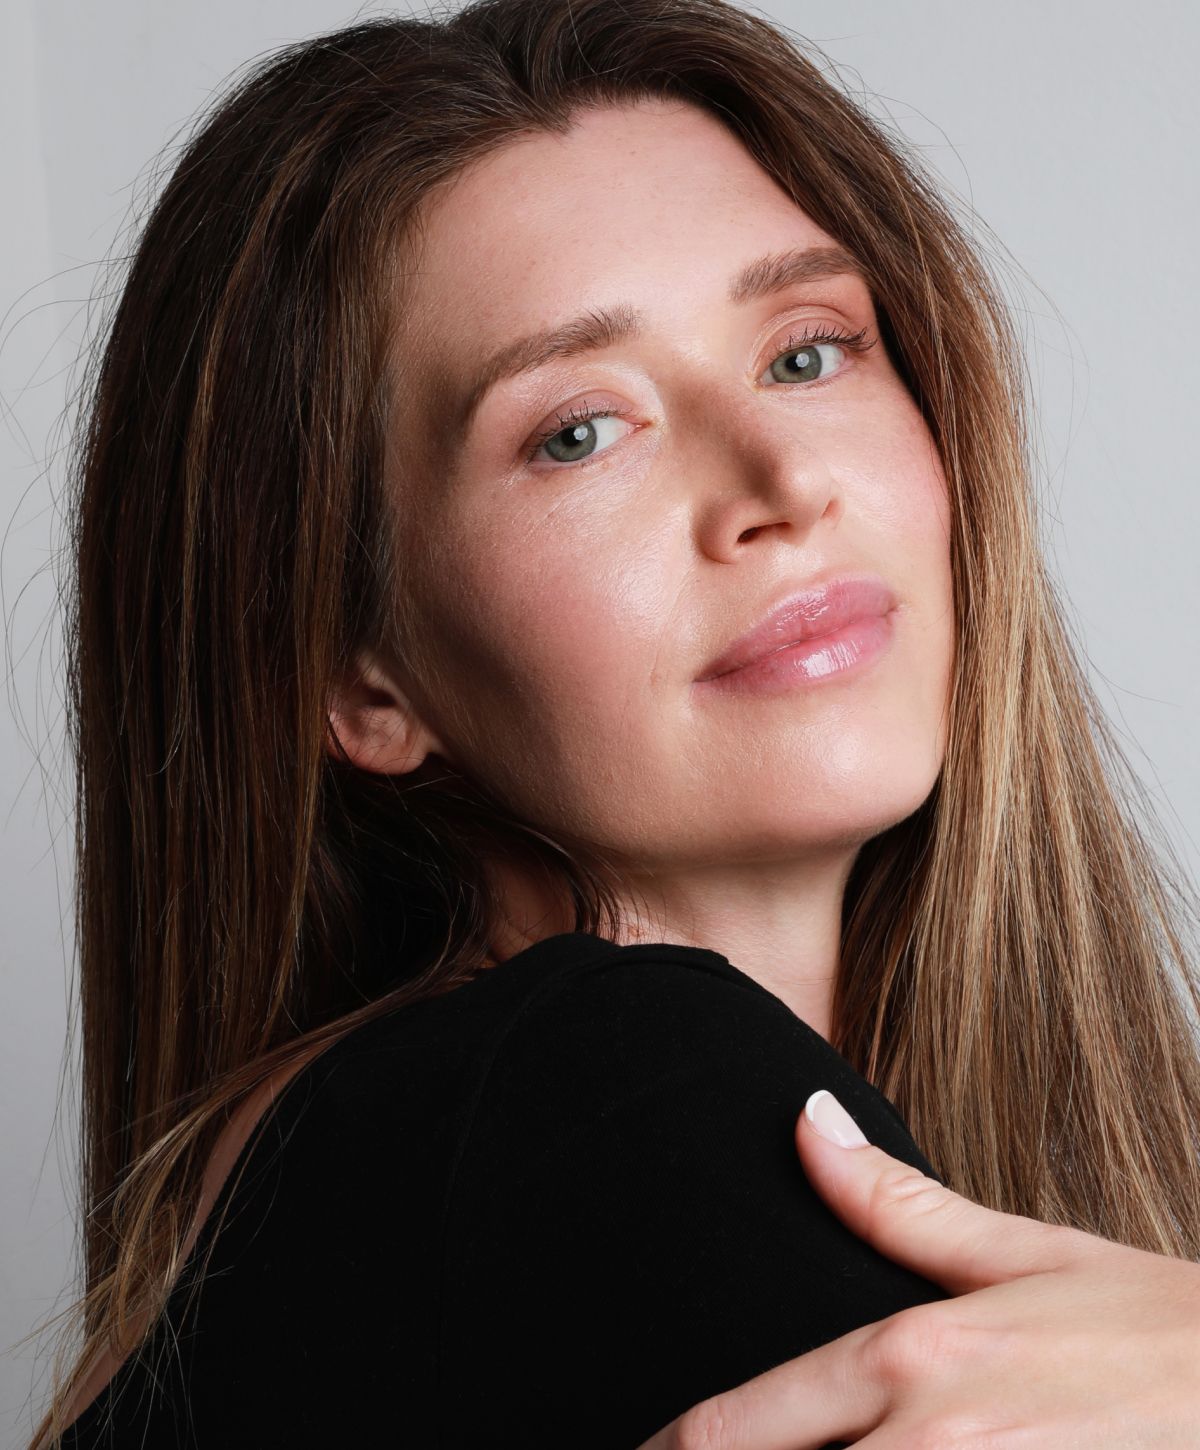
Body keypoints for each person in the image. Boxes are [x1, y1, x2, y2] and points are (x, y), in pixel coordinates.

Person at [28, 0, 1200, 1445]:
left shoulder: (405, 1152)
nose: (779, 478)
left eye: (809, 351)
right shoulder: (608, 1098)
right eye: (579, 428)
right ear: (362, 680)